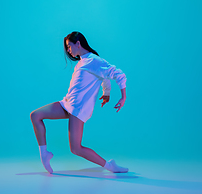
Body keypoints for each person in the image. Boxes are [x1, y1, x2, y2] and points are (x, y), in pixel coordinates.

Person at [30, 31, 128, 174]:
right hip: (67, 103)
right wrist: (106, 93)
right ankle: (44, 154)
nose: (68, 50)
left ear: (78, 43)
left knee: (75, 149)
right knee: (35, 115)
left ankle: (110, 166)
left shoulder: (94, 60)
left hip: (78, 109)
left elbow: (118, 74)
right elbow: (104, 77)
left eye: (69, 46)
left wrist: (123, 96)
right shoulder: (82, 61)